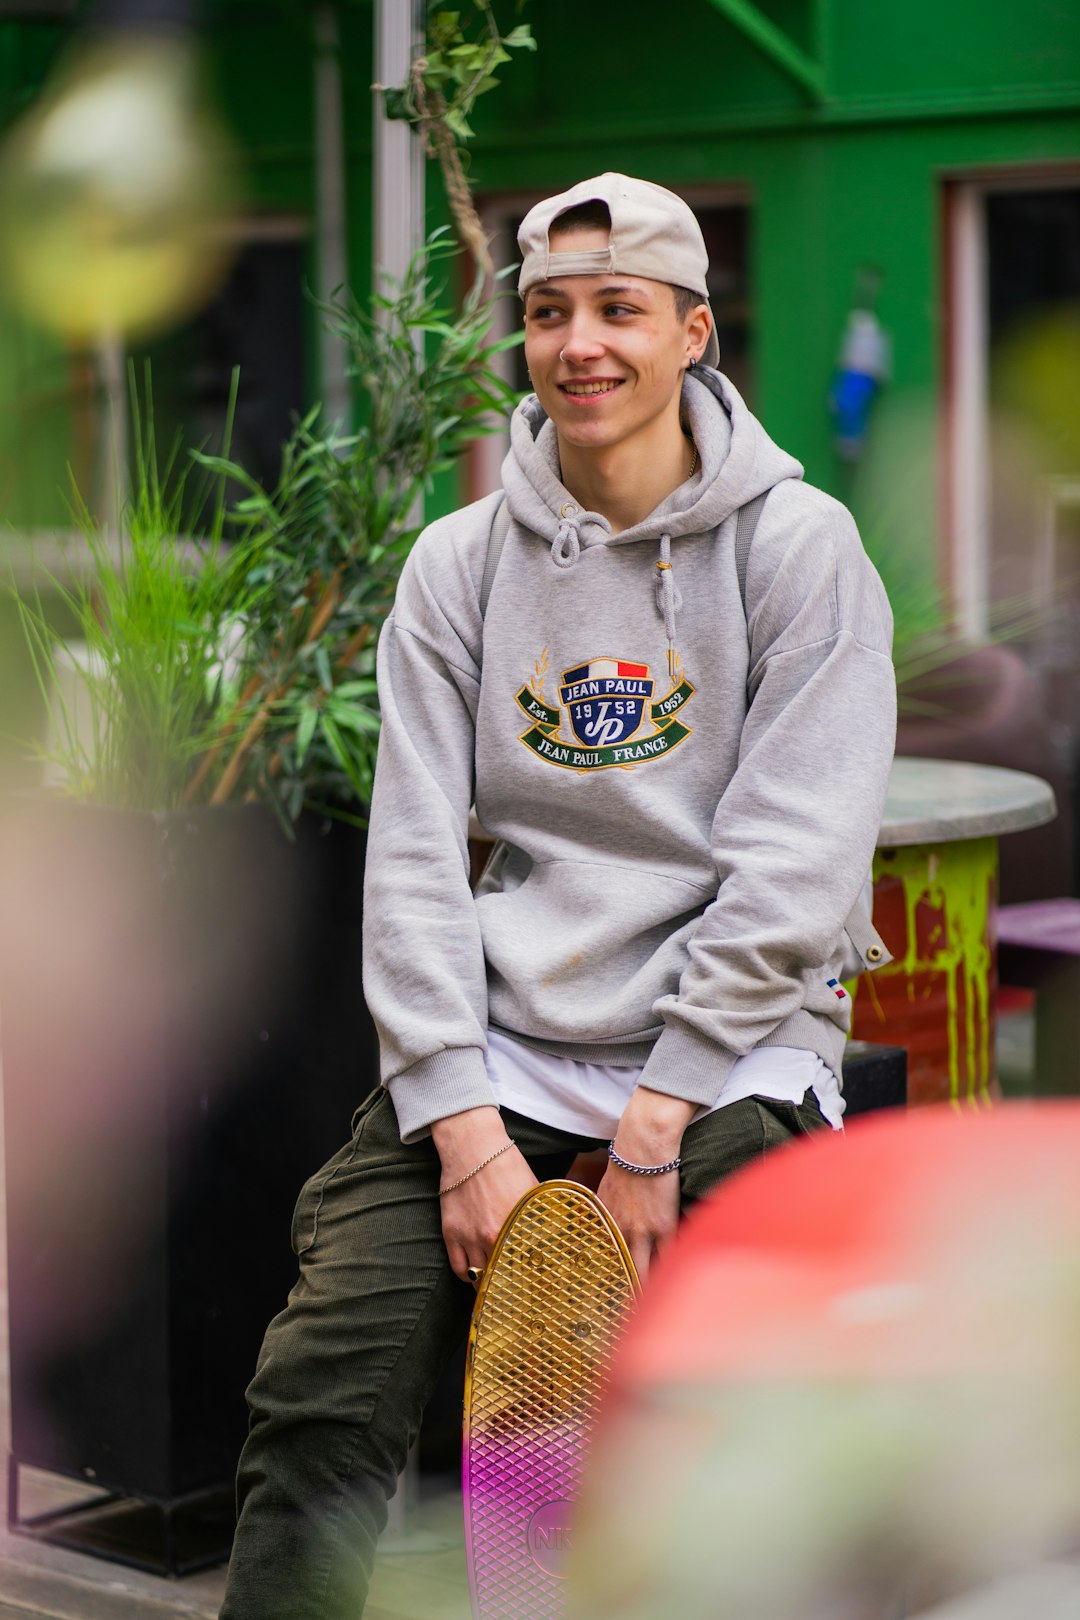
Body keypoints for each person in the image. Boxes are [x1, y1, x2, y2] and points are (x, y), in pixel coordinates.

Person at [220, 172, 896, 1620]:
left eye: (619, 309)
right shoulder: (460, 563)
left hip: (726, 1058)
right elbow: (407, 855)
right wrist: (461, 1130)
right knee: (323, 1392)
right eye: (547, 313)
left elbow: (798, 864)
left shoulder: (797, 549)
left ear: (694, 332)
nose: (580, 343)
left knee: (723, 1423)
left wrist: (656, 1128)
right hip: (505, 1051)